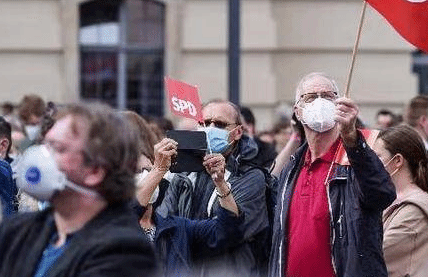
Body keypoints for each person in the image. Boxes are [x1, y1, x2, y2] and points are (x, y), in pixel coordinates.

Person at [0, 103, 156, 276]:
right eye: (45, 145)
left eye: (57, 148)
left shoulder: (124, 250)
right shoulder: (19, 230)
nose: (41, 156)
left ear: (95, 170)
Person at [269, 72, 396, 277]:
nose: (320, 102)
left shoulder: (355, 160)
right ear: (298, 112)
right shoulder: (292, 168)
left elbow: (382, 195)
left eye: (328, 96)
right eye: (310, 97)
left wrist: (352, 139)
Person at [158, 99, 270, 277]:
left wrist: (182, 234)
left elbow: (227, 235)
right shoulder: (184, 175)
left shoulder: (251, 177)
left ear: (238, 132)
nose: (210, 128)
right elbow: (163, 227)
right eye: (205, 123)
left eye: (219, 124)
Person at [135, 137, 245, 276]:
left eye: (148, 170)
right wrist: (159, 169)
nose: (145, 175)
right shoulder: (113, 226)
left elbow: (227, 230)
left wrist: (220, 183)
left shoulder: (176, 228)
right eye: (136, 172)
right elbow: (130, 212)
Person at [372, 124, 428, 277]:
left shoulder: (415, 210)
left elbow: (374, 256)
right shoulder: (389, 200)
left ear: (398, 161)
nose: (372, 162)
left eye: (377, 156)